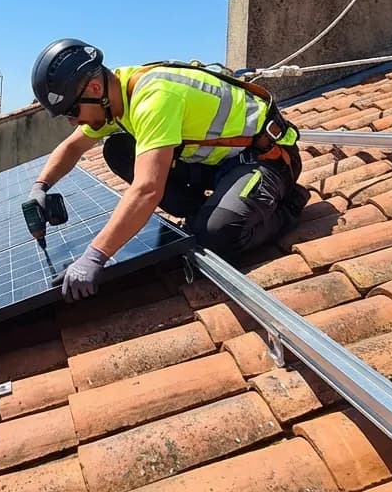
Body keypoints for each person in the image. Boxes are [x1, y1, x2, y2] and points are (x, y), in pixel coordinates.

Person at [26, 37, 309, 301]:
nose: (73, 122)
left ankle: (288, 204)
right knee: (118, 150)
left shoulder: (153, 98)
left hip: (266, 159)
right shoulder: (116, 96)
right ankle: (207, 209)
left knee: (217, 235)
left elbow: (147, 190)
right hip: (219, 162)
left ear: (95, 89)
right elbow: (72, 147)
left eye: (71, 112)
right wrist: (41, 186)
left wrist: (95, 256)